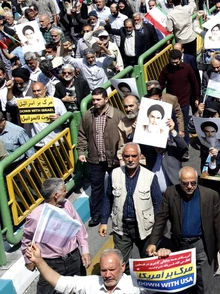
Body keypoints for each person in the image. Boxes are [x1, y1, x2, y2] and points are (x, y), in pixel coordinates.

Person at [146, 166, 220, 294]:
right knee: (182, 284)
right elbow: (161, 219)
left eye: (193, 183)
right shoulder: (170, 193)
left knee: (204, 285)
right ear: (179, 182)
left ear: (197, 180)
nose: (189, 186)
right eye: (185, 183)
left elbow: (218, 223)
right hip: (180, 245)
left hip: (202, 245)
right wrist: (153, 242)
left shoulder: (211, 196)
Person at [99, 143, 163, 271]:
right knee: (121, 264)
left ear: (140, 156)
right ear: (122, 157)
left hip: (145, 229)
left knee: (148, 263)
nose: (130, 159)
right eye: (127, 156)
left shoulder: (150, 177)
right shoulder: (114, 174)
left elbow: (158, 204)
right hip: (122, 228)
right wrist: (104, 221)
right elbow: (107, 198)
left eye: (133, 156)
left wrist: (156, 229)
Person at [21, 178, 90, 294]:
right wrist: (29, 261)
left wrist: (85, 250)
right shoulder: (35, 216)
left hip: (73, 258)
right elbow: (26, 240)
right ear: (56, 195)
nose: (66, 192)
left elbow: (79, 228)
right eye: (64, 190)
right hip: (51, 265)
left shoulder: (67, 205)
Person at [77, 87, 127, 227]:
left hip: (114, 159)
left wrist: (121, 156)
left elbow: (124, 136)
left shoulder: (117, 115)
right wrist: (81, 152)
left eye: (99, 99)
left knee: (117, 186)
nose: (95, 102)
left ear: (106, 99)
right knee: (96, 188)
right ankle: (96, 215)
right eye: (93, 100)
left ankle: (119, 212)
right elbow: (82, 135)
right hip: (95, 158)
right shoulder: (88, 115)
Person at [25, 246, 139, 294]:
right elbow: (60, 281)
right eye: (103, 270)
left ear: (123, 267)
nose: (107, 275)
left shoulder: (136, 284)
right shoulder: (91, 283)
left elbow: (157, 282)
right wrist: (39, 261)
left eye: (112, 269)